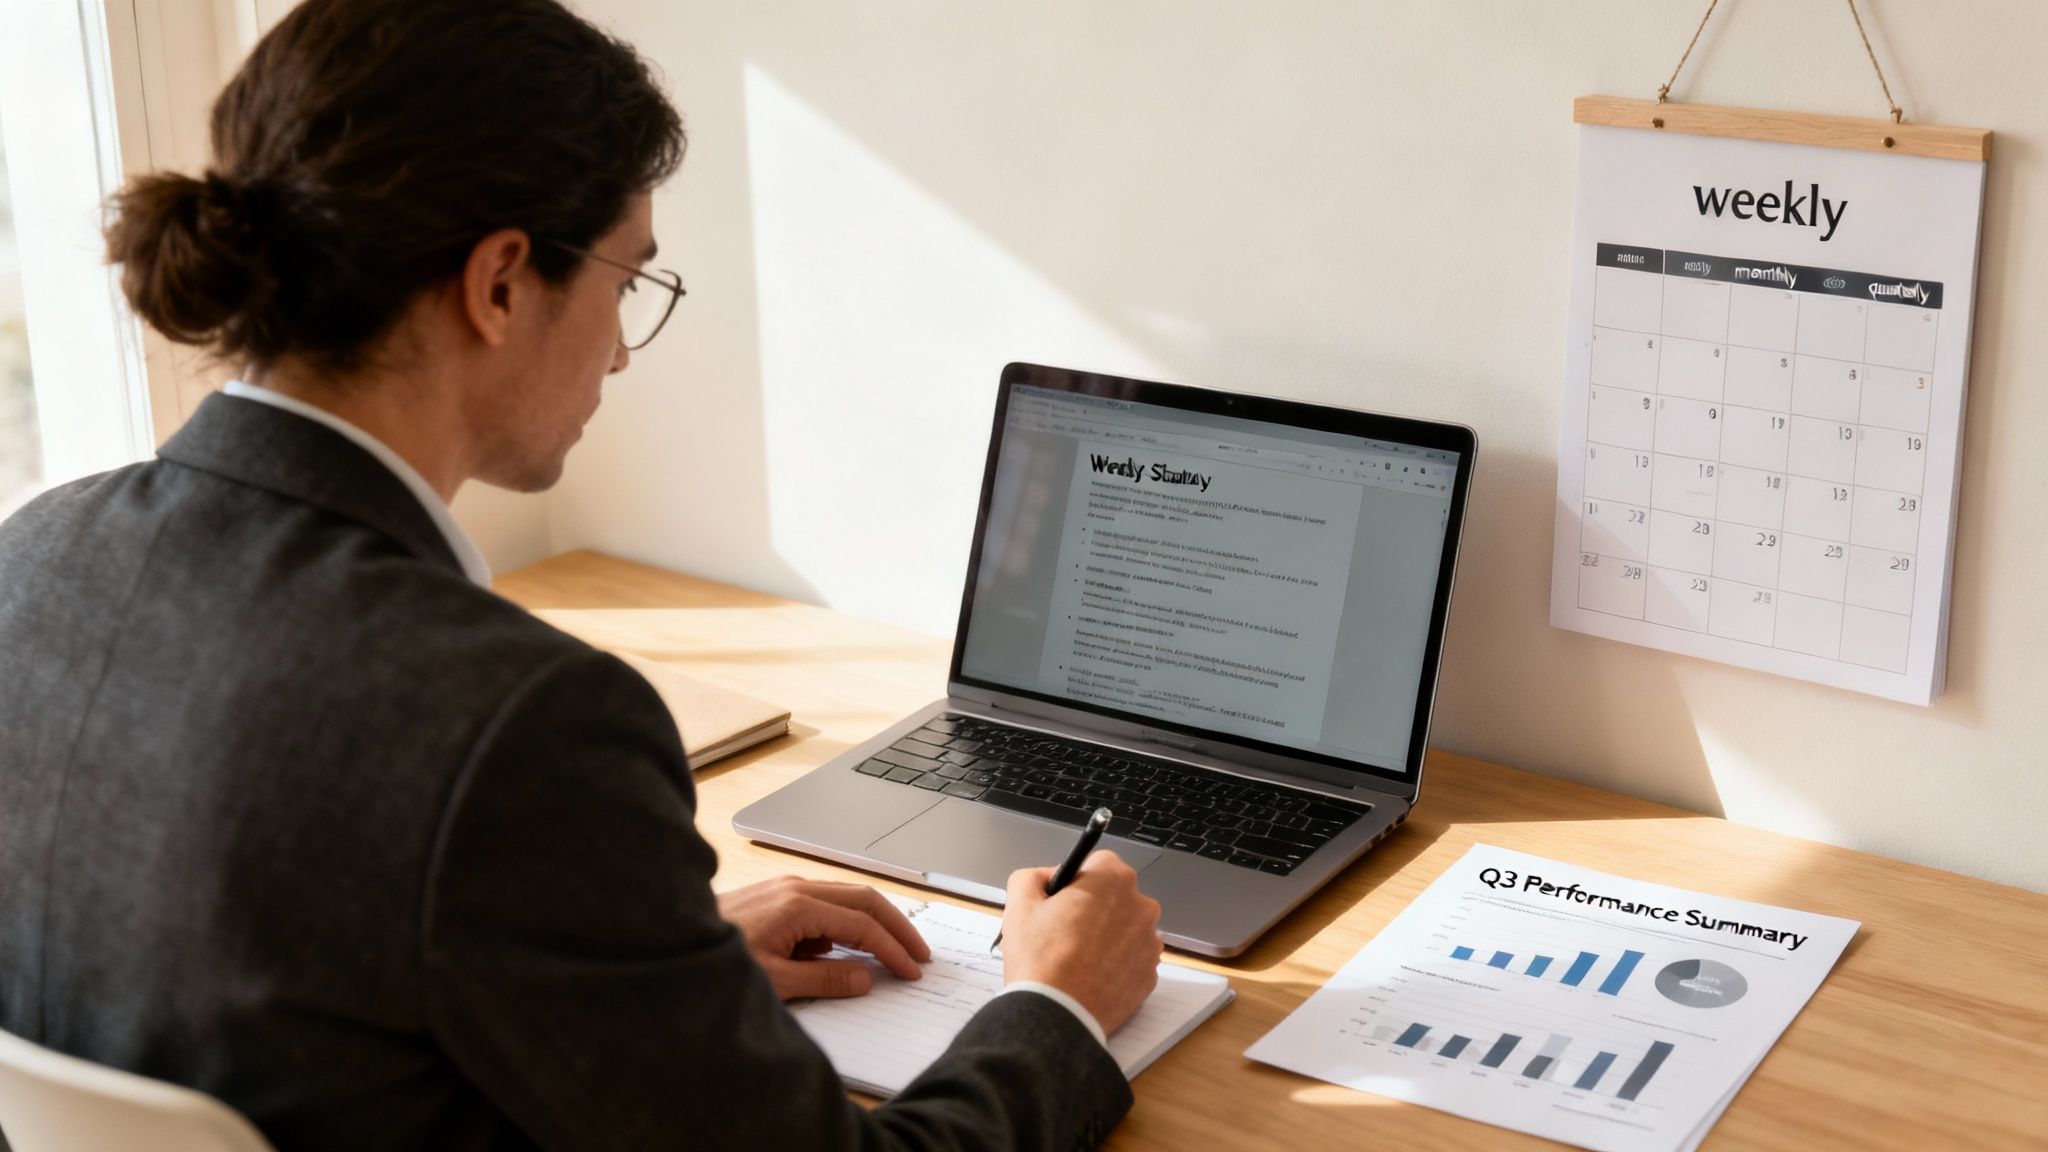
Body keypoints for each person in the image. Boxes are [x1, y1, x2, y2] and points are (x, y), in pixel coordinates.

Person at [0, 1, 1164, 1149]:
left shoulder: (32, 558)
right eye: (624, 281)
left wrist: (632, 956)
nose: (616, 347)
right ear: (500, 281)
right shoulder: (519, 728)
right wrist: (1055, 1002)